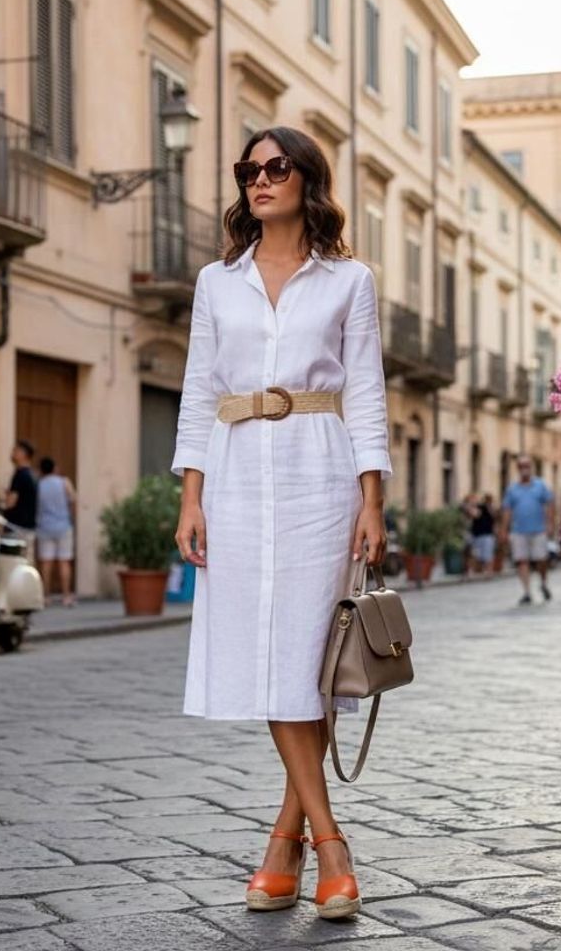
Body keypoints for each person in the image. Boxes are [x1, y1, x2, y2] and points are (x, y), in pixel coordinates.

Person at [172, 126, 390, 920]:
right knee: (272, 657)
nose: (259, 180)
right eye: (249, 170)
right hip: (235, 476)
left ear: (307, 180)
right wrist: (190, 495)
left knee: (309, 658)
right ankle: (323, 843)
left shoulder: (349, 281)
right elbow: (199, 392)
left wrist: (372, 498)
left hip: (320, 474)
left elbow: (365, 392)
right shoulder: (216, 282)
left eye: (276, 167)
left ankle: (295, 844)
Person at [499, 455, 554, 605]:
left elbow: (549, 504)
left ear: (531, 467)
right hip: (518, 530)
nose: (524, 469)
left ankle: (543, 583)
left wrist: (550, 524)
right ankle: (527, 592)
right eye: (521, 466)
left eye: (527, 466)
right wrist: (504, 530)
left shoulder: (540, 485)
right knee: (521, 560)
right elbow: (507, 510)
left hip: (539, 529)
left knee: (541, 559)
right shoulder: (512, 489)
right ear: (518, 468)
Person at [36, 457, 77, 606]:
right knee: (64, 561)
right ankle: (66, 596)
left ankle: (46, 596)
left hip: (44, 527)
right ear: (55, 468)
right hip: (63, 526)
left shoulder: (39, 485)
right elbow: (73, 500)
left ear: (41, 470)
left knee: (46, 563)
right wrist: (72, 518)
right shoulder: (64, 482)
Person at [0, 440, 38, 558]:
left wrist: (2, 500)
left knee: (12, 562)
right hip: (28, 527)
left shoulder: (20, 474)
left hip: (16, 528)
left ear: (23, 453)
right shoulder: (32, 474)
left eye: (15, 450)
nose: (12, 453)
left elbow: (11, 502)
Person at [467, 492, 496, 575]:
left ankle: (488, 572)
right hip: (477, 535)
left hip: (486, 534)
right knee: (476, 554)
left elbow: (476, 515)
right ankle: (474, 571)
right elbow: (474, 515)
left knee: (487, 555)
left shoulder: (486, 508)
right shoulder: (479, 507)